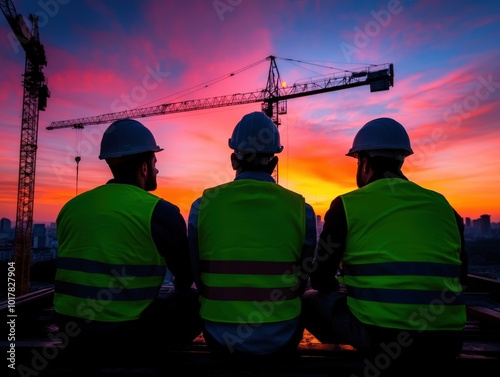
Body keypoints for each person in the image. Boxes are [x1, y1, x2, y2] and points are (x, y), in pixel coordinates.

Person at [301, 117, 468, 374]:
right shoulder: (444, 206)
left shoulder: (348, 205)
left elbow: (321, 278)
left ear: (364, 162)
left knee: (309, 300)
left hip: (382, 340)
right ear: (401, 160)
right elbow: (461, 276)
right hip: (446, 341)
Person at [53, 118, 201, 366]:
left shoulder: (71, 207)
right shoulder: (159, 212)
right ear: (144, 168)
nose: (156, 170)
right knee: (193, 302)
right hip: (126, 337)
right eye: (154, 163)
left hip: (71, 332)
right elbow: (186, 277)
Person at [188, 111, 317, 359]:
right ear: (273, 164)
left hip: (219, 337)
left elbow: (199, 280)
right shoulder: (302, 210)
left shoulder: (202, 206)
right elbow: (301, 283)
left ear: (233, 160)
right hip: (283, 338)